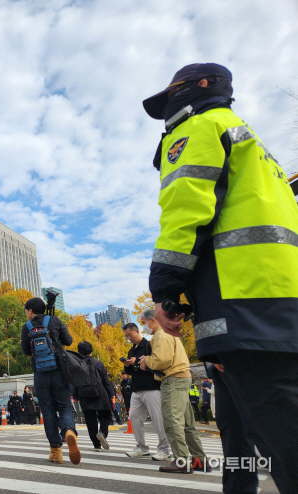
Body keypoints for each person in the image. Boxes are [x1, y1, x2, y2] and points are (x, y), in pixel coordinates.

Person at [144, 62, 298, 493]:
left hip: (243, 307)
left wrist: (166, 286)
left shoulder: (200, 127)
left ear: (201, 86)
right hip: (274, 303)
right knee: (239, 438)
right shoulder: (255, 145)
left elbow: (185, 208)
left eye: (173, 95)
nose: (169, 109)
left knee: (283, 441)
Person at [139, 308, 207, 473]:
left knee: (172, 421)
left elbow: (163, 360)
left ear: (153, 320)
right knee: (186, 423)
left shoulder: (161, 335)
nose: (144, 327)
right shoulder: (170, 333)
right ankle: (199, 460)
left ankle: (182, 461)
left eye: (143, 323)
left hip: (173, 379)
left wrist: (146, 360)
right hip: (183, 377)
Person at [21, 297, 80, 465]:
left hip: (40, 373)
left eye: (26, 311)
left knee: (47, 411)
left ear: (31, 311)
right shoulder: (54, 320)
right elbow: (68, 341)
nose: (26, 314)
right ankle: (69, 432)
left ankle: (56, 451)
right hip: (60, 371)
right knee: (64, 406)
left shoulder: (27, 327)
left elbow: (26, 350)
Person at [122, 322, 172, 461]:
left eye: (130, 335)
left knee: (158, 419)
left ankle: (164, 449)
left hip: (152, 387)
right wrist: (128, 365)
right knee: (134, 418)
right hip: (136, 389)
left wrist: (136, 361)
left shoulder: (149, 345)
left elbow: (156, 363)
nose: (129, 338)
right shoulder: (131, 350)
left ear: (137, 331)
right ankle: (142, 448)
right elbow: (132, 371)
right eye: (127, 336)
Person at [72, 341, 114, 452]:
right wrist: (111, 394)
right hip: (100, 394)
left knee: (90, 420)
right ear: (91, 351)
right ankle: (102, 433)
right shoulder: (98, 364)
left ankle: (96, 445)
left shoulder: (77, 364)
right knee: (106, 416)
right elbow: (106, 381)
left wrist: (75, 396)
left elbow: (75, 382)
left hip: (84, 396)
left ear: (79, 351)